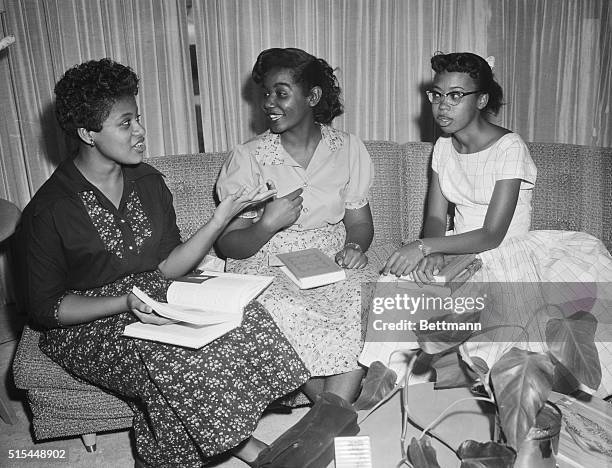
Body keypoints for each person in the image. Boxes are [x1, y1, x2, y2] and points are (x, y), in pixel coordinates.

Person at [20, 58, 311, 467]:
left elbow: (169, 267)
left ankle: (232, 437)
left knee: (250, 317)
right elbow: (47, 309)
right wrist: (125, 303)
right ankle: (226, 448)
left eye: (137, 118)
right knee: (171, 357)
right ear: (87, 133)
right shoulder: (47, 212)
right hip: (84, 322)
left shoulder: (149, 182)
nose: (140, 132)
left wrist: (219, 220)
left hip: (153, 293)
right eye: (125, 124)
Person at [382, 51, 612, 396]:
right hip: (456, 245)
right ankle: (402, 391)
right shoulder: (443, 148)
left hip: (505, 251)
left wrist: (428, 245)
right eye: (437, 94)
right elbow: (434, 216)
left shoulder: (509, 147)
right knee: (394, 287)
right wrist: (432, 251)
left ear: (482, 100)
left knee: (517, 334)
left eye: (456, 95)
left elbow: (492, 234)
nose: (443, 105)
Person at [215, 48, 380, 403]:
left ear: (313, 96)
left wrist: (354, 246)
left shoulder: (348, 148)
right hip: (266, 259)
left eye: (281, 92)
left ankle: (326, 421)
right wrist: (266, 225)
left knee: (366, 299)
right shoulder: (248, 157)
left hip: (331, 258)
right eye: (265, 94)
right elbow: (228, 245)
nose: (268, 103)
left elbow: (360, 222)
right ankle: (334, 421)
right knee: (277, 306)